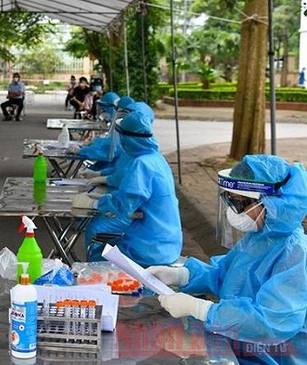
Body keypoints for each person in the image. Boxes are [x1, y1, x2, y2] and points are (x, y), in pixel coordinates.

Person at [147, 154, 307, 364]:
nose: (233, 211)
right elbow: (226, 273)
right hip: (235, 346)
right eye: (228, 200)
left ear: (273, 204)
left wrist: (201, 309)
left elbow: (270, 323)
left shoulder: (295, 254)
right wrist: (181, 274)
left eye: (239, 203)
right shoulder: (257, 238)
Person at [71, 109, 182, 267]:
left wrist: (94, 204)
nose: (121, 141)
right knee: (104, 243)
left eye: (122, 136)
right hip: (165, 242)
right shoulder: (156, 159)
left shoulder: (141, 164)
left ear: (129, 138)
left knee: (97, 254)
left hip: (148, 248)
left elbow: (123, 205)